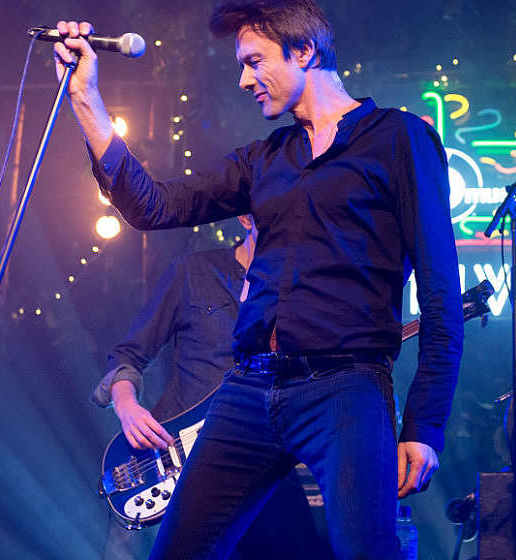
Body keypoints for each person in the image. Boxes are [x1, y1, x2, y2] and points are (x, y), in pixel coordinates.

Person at [54, 1, 463, 558]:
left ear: (304, 51)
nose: (244, 80)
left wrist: (424, 424)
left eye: (254, 61)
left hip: (345, 387)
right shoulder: (265, 159)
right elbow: (153, 206)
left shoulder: (398, 138)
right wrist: (85, 97)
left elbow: (441, 293)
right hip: (248, 389)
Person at [92, 216, 330, 560]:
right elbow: (128, 354)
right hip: (173, 459)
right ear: (246, 217)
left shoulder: (301, 293)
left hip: (261, 462)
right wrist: (127, 408)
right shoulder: (193, 271)